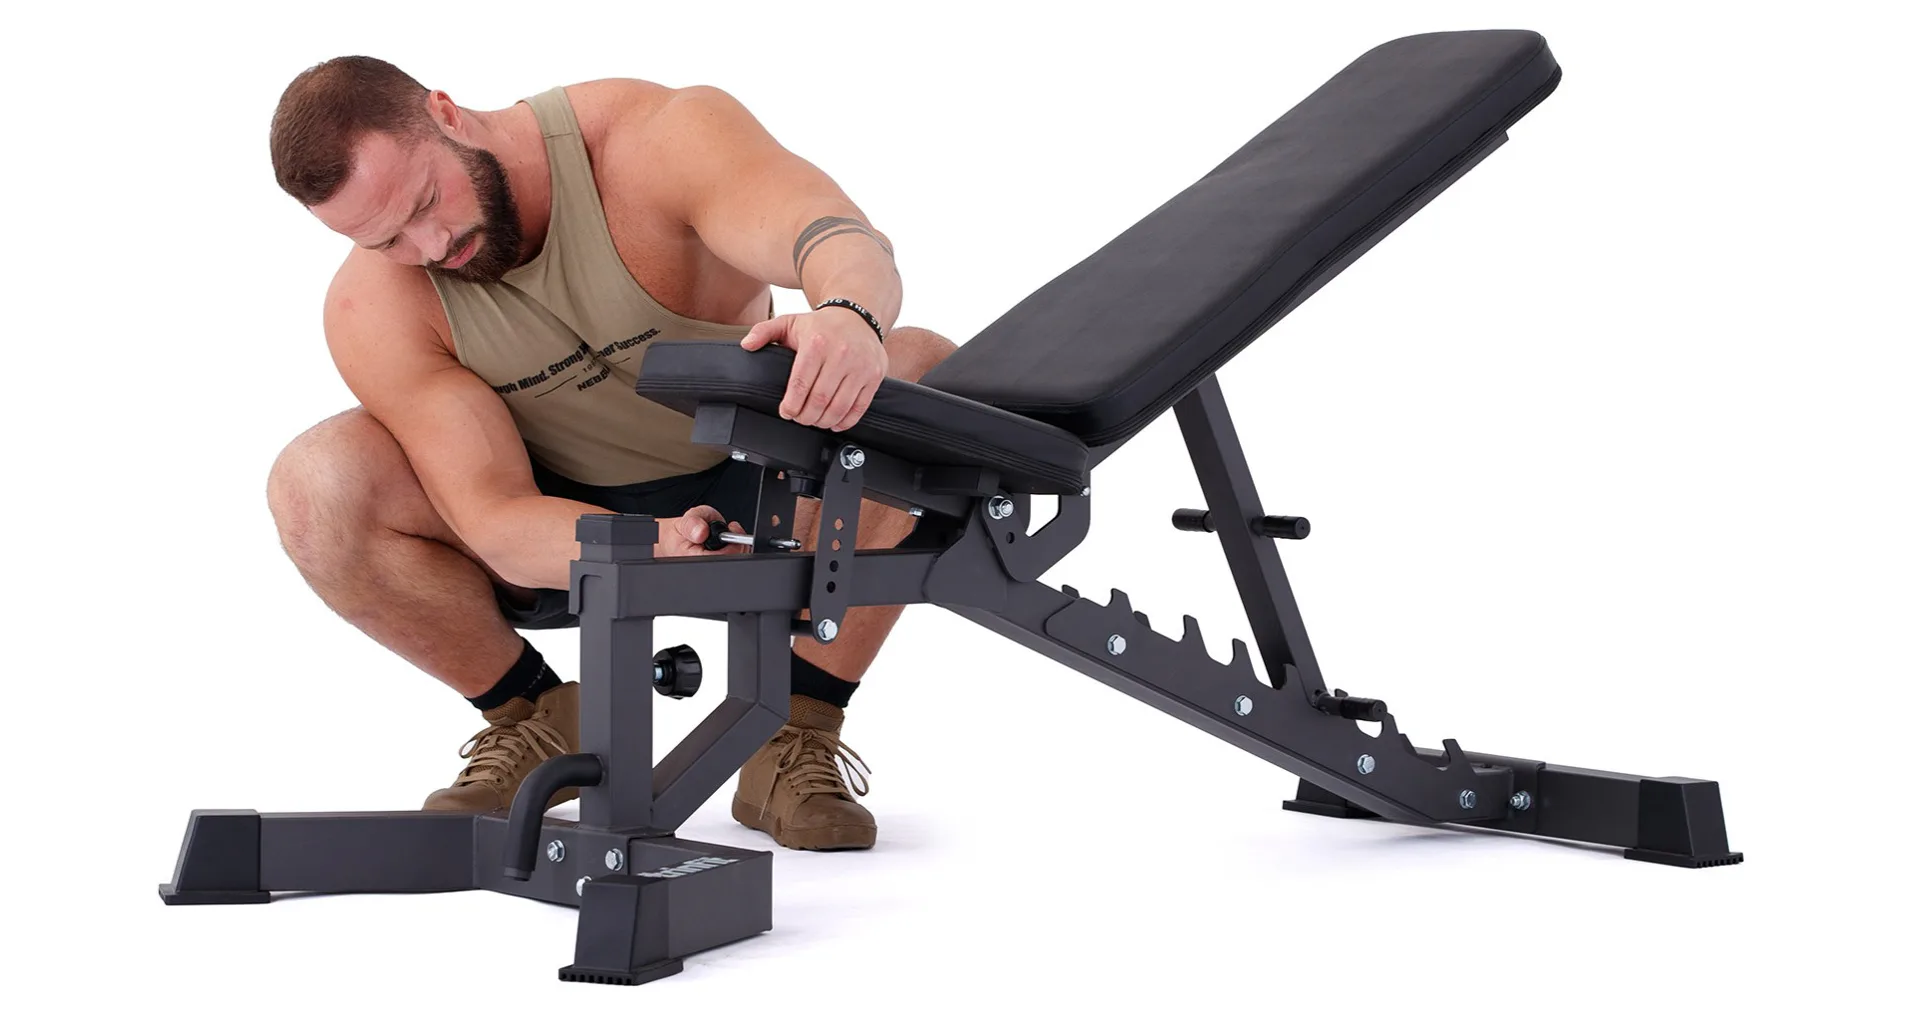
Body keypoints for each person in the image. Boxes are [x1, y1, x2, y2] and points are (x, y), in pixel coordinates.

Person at [265, 56, 957, 851]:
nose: (430, 245)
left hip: (774, 485)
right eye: (386, 239)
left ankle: (794, 728)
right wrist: (648, 544)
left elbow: (832, 234)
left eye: (425, 202)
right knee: (319, 480)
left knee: (922, 370)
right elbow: (494, 515)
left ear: (446, 113)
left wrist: (848, 315)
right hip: (569, 526)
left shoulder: (650, 142)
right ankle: (532, 714)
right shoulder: (372, 306)